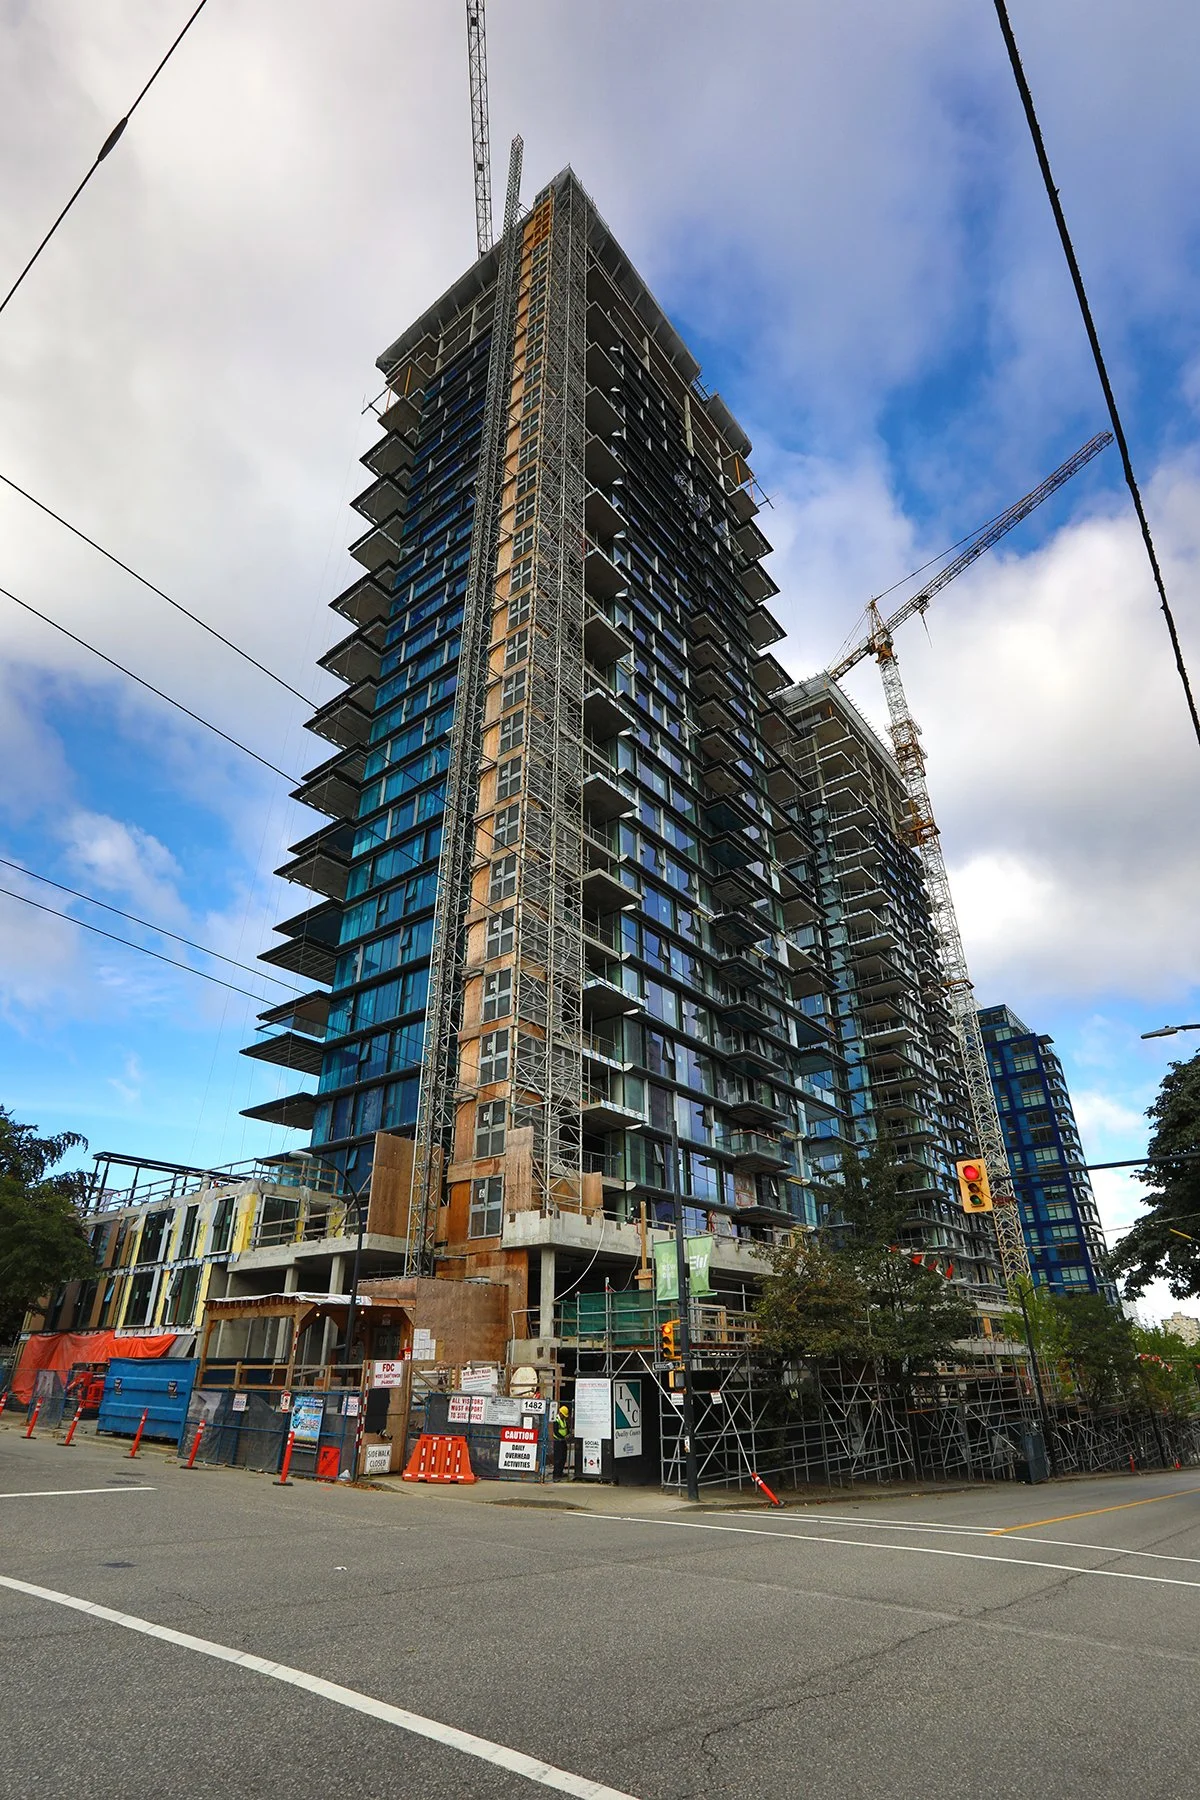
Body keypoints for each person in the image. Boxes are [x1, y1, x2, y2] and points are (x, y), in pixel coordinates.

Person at [552, 1402, 571, 1481]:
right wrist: (564, 1437)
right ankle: (556, 1475)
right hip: (558, 1441)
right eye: (564, 1415)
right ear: (560, 1413)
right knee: (558, 1458)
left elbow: (566, 1429)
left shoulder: (564, 1420)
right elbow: (556, 1432)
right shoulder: (556, 1420)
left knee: (563, 1457)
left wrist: (568, 1434)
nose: (564, 1417)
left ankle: (560, 1472)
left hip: (563, 1441)